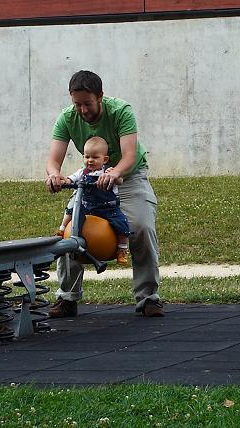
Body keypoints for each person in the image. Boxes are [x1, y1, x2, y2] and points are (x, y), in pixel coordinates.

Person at [46, 70, 163, 318]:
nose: (83, 110)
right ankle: (67, 297)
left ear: (100, 96)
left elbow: (129, 155)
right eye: (77, 104)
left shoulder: (121, 111)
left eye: (87, 103)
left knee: (141, 227)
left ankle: (148, 298)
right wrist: (54, 175)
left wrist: (114, 172)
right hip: (90, 183)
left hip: (128, 178)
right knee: (70, 232)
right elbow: (53, 160)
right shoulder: (67, 118)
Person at [56, 136, 130, 266]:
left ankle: (122, 248)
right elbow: (71, 179)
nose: (90, 160)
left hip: (107, 208)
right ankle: (62, 229)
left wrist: (114, 176)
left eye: (95, 157)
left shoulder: (108, 172)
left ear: (104, 159)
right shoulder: (82, 172)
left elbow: (120, 181)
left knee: (122, 224)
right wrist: (64, 181)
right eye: (87, 157)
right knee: (71, 211)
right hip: (87, 206)